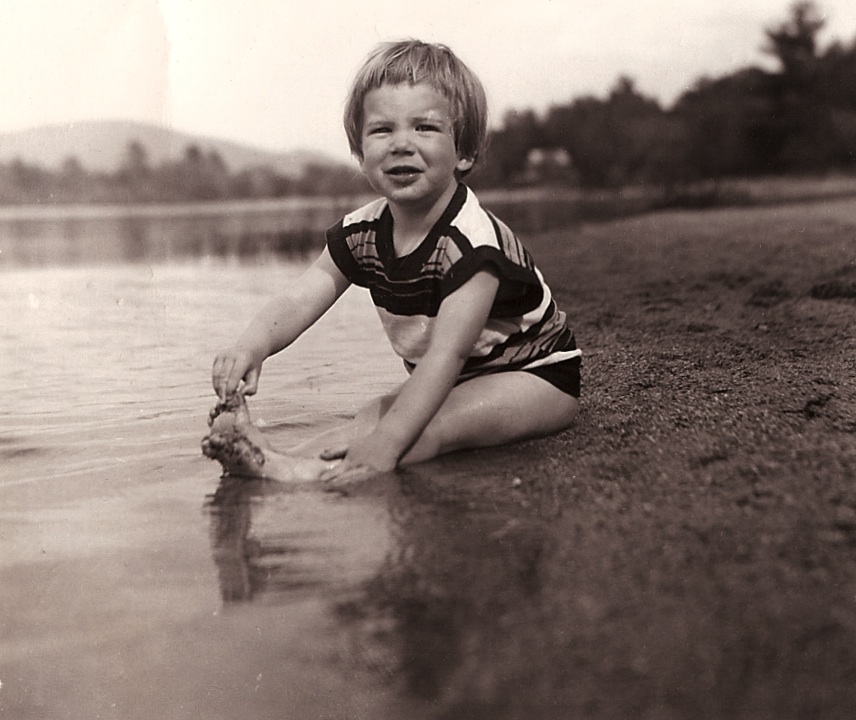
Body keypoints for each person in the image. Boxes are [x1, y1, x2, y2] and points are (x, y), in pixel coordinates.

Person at [203, 39, 581, 484]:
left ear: (463, 151)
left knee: (421, 428)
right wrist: (252, 346)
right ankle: (270, 456)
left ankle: (299, 476)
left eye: (425, 127)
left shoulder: (472, 244)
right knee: (368, 418)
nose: (402, 144)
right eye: (382, 130)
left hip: (534, 377)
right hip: (457, 379)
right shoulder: (363, 232)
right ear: (360, 153)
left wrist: (390, 441)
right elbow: (301, 297)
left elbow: (449, 353)